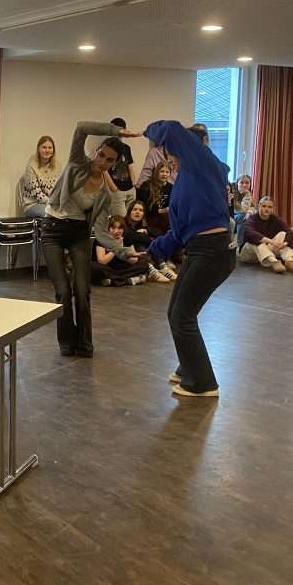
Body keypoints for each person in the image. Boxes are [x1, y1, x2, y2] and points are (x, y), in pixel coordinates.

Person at [144, 120, 235, 397]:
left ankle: (204, 384)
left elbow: (171, 127)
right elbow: (179, 233)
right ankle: (190, 367)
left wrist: (145, 131)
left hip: (213, 251)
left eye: (172, 153)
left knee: (183, 317)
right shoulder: (184, 181)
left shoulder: (202, 165)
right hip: (199, 249)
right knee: (175, 313)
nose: (169, 159)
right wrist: (150, 250)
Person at [40, 119, 139, 356]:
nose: (102, 162)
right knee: (63, 291)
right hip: (53, 229)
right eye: (101, 155)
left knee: (82, 290)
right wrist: (117, 131)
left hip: (79, 234)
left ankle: (85, 343)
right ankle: (67, 341)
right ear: (96, 151)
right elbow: (81, 127)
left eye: (109, 160)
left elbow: (102, 232)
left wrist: (124, 251)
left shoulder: (105, 194)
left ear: (115, 163)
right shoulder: (77, 162)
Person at [238, 196, 293, 273]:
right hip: (249, 254)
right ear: (259, 206)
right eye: (264, 206)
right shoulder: (251, 218)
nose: (267, 209)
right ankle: (274, 262)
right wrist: (272, 242)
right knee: (256, 241)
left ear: (273, 209)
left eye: (269, 207)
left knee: (283, 234)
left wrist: (284, 244)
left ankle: (289, 261)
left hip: (265, 252)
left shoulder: (275, 219)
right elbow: (250, 233)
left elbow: (289, 232)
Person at [124, 199, 176, 281]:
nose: (137, 212)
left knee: (152, 242)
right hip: (126, 254)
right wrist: (147, 238)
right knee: (139, 243)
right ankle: (151, 270)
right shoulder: (123, 223)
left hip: (140, 252)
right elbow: (130, 236)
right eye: (135, 209)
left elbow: (159, 233)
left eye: (140, 210)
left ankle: (163, 267)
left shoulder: (142, 224)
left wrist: (146, 231)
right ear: (129, 211)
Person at [92, 215, 152, 286]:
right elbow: (102, 261)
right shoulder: (102, 238)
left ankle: (112, 280)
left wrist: (124, 253)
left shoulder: (127, 237)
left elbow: (134, 260)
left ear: (123, 229)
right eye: (113, 228)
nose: (116, 231)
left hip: (121, 268)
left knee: (144, 265)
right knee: (94, 267)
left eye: (120, 228)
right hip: (107, 268)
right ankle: (127, 280)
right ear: (108, 229)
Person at [21, 135, 61, 218]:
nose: (47, 151)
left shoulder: (58, 166)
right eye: (44, 147)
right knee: (52, 214)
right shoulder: (31, 165)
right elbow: (36, 194)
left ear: (53, 150)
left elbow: (60, 190)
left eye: (50, 148)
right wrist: (52, 204)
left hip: (51, 204)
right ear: (38, 149)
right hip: (32, 204)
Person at [106, 118, 137, 218]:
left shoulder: (126, 148)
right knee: (120, 220)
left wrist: (133, 183)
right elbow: (103, 170)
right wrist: (113, 188)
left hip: (130, 189)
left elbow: (130, 166)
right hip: (117, 191)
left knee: (131, 219)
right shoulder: (106, 147)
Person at [140, 162, 174, 235]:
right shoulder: (146, 186)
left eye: (167, 172)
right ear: (156, 172)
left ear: (170, 174)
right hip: (148, 218)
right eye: (162, 171)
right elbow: (143, 209)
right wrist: (162, 211)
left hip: (164, 219)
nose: (164, 174)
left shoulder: (171, 188)